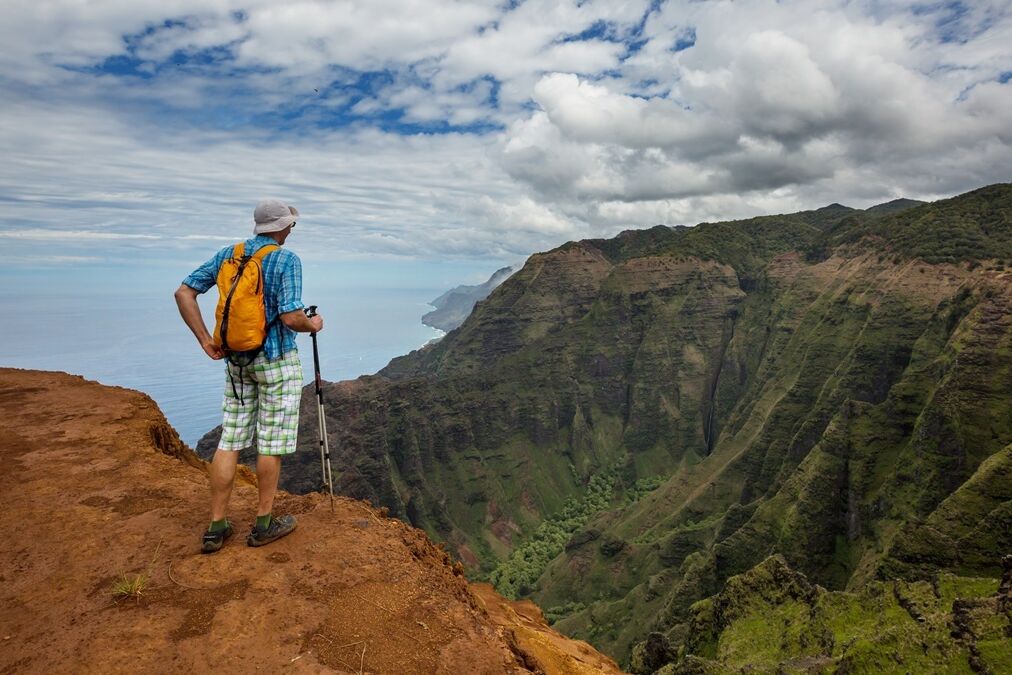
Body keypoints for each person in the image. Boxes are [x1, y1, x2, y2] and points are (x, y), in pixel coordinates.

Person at [174, 199, 324, 553]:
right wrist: (313, 323)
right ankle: (263, 523)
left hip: (236, 362)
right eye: (291, 225)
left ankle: (216, 526)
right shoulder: (286, 259)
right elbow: (290, 316)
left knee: (231, 439)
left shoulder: (230, 253)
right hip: (276, 361)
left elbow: (184, 292)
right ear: (282, 226)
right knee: (270, 442)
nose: (291, 230)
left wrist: (204, 340)